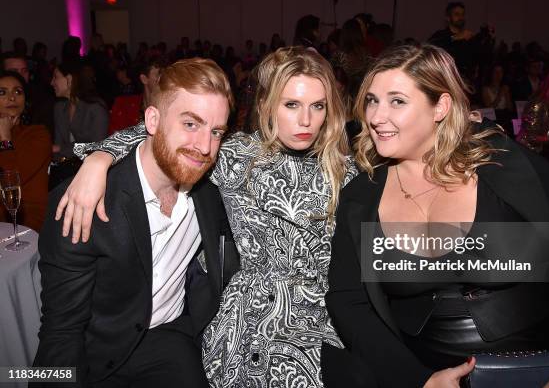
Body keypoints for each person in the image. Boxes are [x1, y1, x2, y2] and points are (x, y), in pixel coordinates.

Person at [54, 47, 358, 387]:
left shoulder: (345, 174)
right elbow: (166, 131)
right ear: (267, 106)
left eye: (318, 106)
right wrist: (100, 157)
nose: (306, 120)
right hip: (248, 318)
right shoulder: (234, 157)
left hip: (317, 318)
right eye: (291, 105)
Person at [322, 45, 549, 387]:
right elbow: (349, 302)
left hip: (537, 371)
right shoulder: (361, 197)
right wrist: (418, 380)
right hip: (422, 370)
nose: (376, 116)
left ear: (440, 107)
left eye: (397, 101)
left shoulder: (501, 166)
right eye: (372, 100)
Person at [33, 58, 240, 387]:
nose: (204, 147)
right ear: (153, 120)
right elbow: (62, 332)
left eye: (216, 131)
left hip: (170, 337)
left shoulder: (214, 187)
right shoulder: (84, 201)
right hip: (97, 355)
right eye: (190, 124)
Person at [0, 71, 51, 231]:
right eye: (2, 92)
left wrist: (5, 138)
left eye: (18, 91)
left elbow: (11, 181)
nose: (12, 98)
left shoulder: (37, 134)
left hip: (26, 224)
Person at [50, 61, 109, 189]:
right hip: (65, 174)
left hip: (91, 175)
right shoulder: (59, 108)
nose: (52, 82)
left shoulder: (95, 109)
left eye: (55, 77)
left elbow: (96, 147)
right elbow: (56, 150)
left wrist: (61, 149)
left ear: (69, 79)